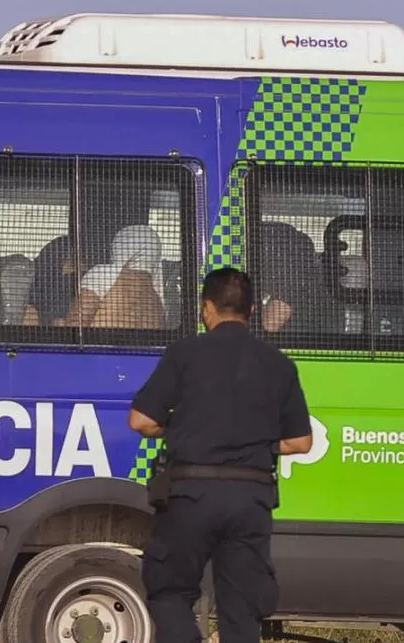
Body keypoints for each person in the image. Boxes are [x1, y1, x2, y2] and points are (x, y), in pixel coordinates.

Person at [128, 267, 313, 643]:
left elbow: (141, 421)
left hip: (190, 496)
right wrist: (258, 441)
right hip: (250, 499)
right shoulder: (279, 364)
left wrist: (182, 429)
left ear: (206, 308)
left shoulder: (185, 354)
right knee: (242, 611)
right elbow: (301, 443)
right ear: (251, 312)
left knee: (170, 592)